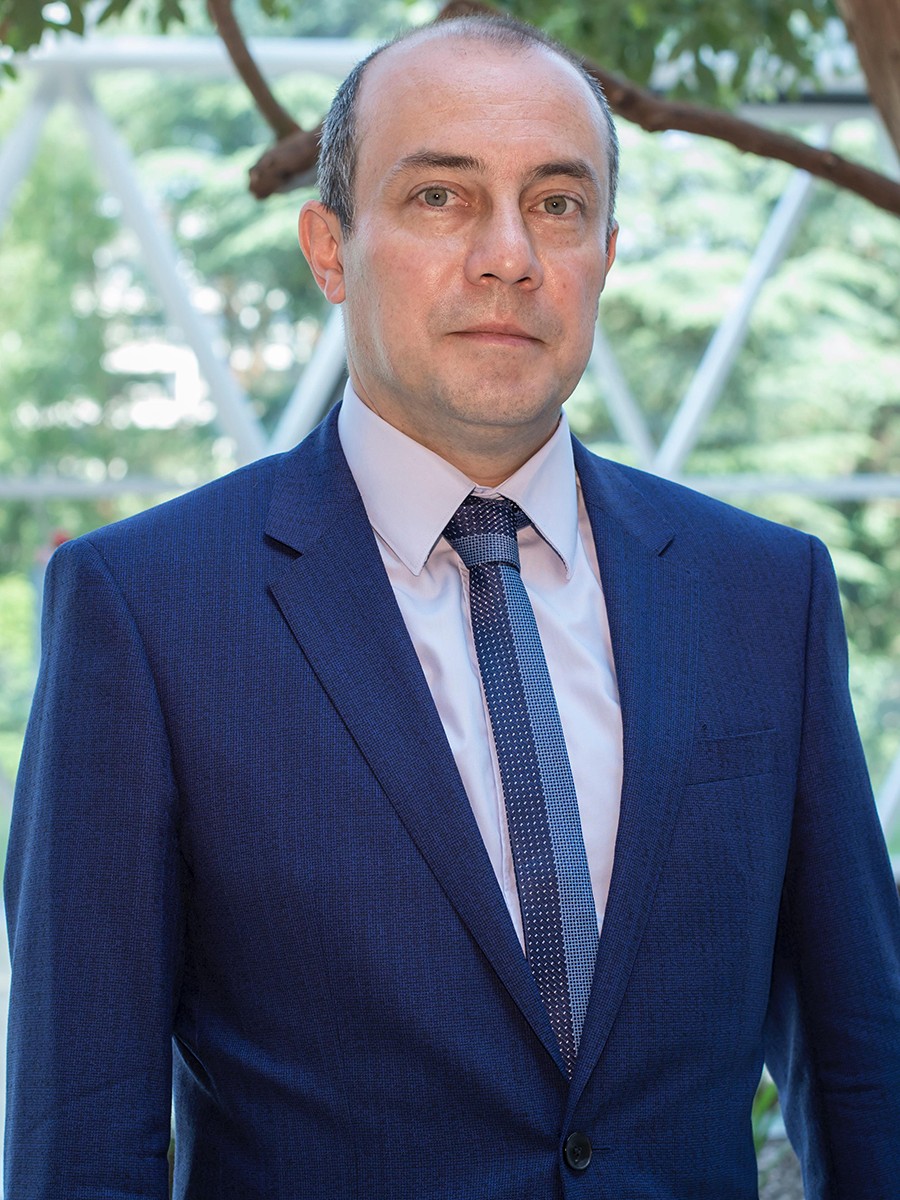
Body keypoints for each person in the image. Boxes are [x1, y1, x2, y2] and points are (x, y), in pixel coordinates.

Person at [5, 14, 900, 1199]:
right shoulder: (147, 611)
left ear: (606, 253)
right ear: (329, 249)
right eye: (440, 197)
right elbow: (80, 1135)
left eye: (557, 204)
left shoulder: (763, 595)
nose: (508, 256)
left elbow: (865, 1076)